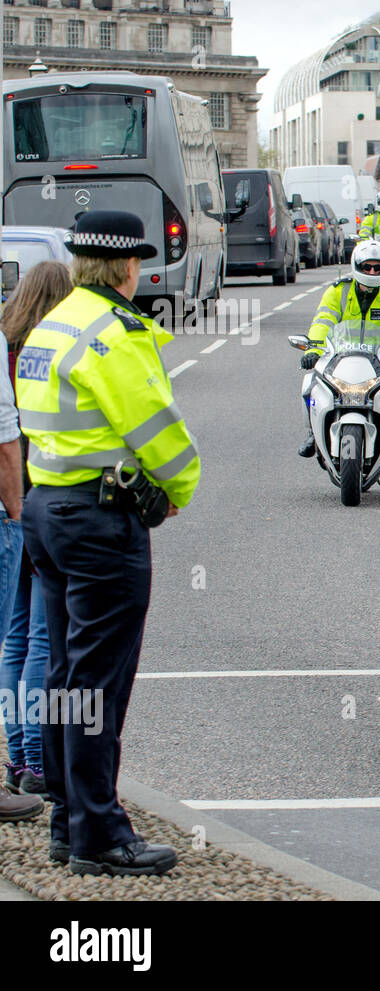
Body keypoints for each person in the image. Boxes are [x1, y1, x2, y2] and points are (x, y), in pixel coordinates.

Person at [17, 211, 200, 875]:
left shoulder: (53, 323)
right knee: (99, 683)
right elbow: (158, 428)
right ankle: (99, 833)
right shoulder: (113, 333)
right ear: (127, 267)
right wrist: (180, 485)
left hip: (47, 508)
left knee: (67, 677)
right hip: (99, 523)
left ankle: (69, 822)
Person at [1, 261, 72, 801]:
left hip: (14, 500)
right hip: (35, 497)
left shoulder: (8, 344)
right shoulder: (54, 349)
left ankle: (18, 755)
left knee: (16, 638)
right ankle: (37, 762)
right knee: (46, 639)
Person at [299, 240, 380, 462]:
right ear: (357, 266)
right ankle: (313, 433)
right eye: (367, 267)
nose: (372, 271)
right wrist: (312, 348)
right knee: (311, 390)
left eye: (378, 267)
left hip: (379, 357)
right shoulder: (338, 290)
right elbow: (323, 320)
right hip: (340, 355)